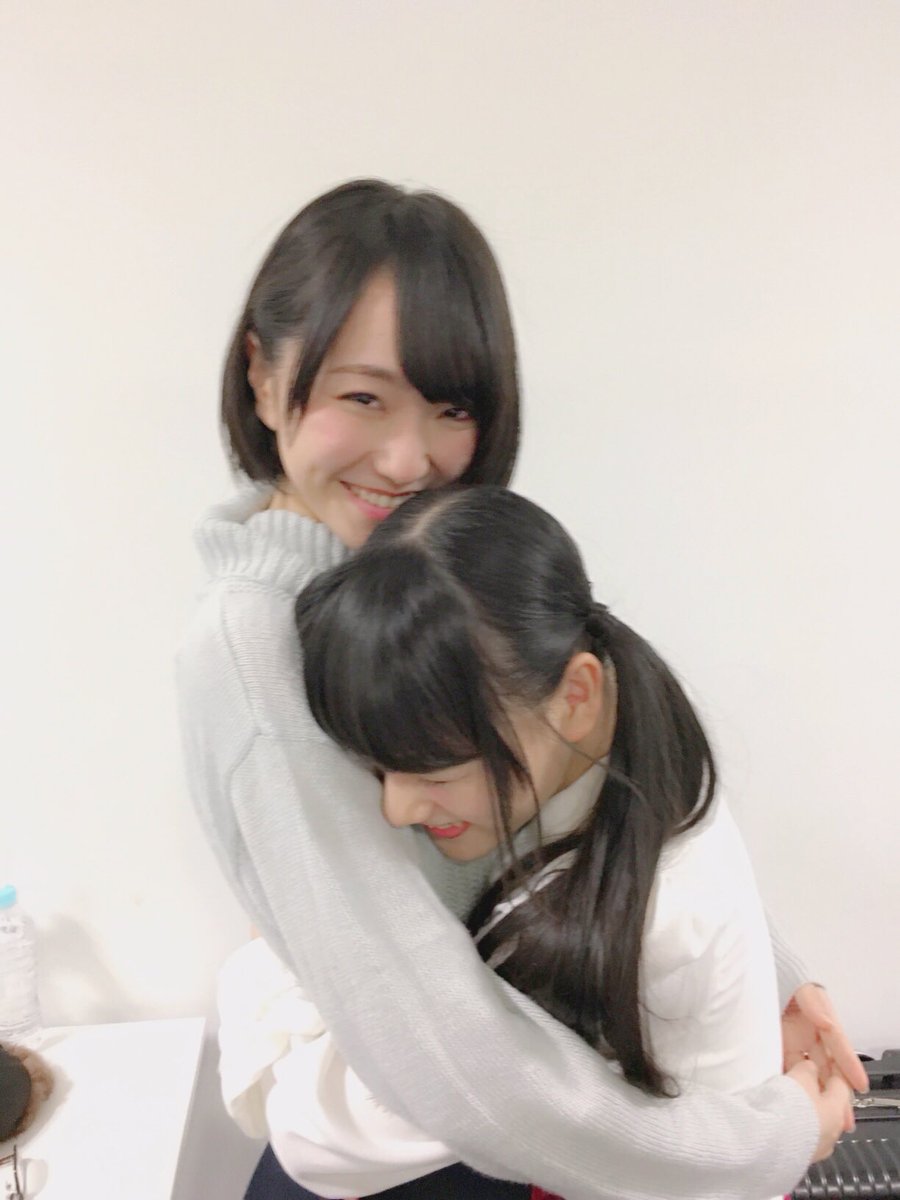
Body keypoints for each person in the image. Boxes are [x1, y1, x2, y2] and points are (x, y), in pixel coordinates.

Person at [177, 179, 865, 1200]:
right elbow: (454, 1058)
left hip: (520, 1126)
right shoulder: (252, 654)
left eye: (451, 409)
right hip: (448, 1145)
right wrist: (764, 1140)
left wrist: (767, 971)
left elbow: (594, 788)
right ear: (262, 376)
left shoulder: (420, 564)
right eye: (362, 398)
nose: (408, 458)